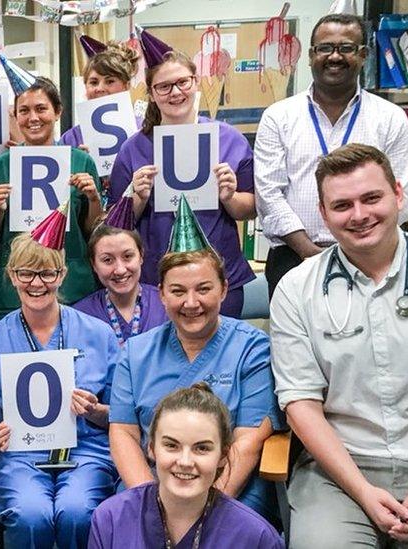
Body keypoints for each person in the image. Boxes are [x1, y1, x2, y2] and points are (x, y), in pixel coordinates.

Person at [271, 143, 408, 547]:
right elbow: (301, 404)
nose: (360, 215)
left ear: (399, 194)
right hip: (341, 477)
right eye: (342, 205)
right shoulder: (297, 290)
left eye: (372, 198)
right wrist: (362, 491)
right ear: (324, 215)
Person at [108, 197, 283, 521]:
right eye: (177, 291)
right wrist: (156, 506)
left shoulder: (253, 350)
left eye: (203, 289)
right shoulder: (135, 353)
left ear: (224, 289)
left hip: (232, 487)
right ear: (161, 294)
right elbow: (124, 434)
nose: (191, 303)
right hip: (153, 482)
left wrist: (202, 510)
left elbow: (249, 440)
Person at [0, 233, 120, 549]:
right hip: (19, 455)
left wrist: (94, 410)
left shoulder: (99, 334)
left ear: (61, 275)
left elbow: (122, 414)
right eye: (26, 272)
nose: (37, 283)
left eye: (47, 273)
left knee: (76, 511)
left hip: (85, 449)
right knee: (30, 515)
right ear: (11, 275)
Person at [255, 12, 408, 298]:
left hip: (372, 257)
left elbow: (399, 195)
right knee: (298, 341)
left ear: (363, 54)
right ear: (311, 55)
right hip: (293, 257)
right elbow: (268, 193)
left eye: (346, 48)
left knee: (373, 338)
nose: (335, 57)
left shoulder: (390, 118)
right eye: (325, 48)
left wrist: (355, 249)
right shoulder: (278, 117)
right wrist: (309, 251)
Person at [109, 45, 255, 318]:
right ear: (151, 94)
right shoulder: (133, 149)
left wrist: (230, 197)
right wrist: (137, 198)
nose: (175, 92)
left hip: (220, 277)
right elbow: (116, 225)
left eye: (182, 82)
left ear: (195, 82)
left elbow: (251, 208)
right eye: (163, 87)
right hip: (157, 283)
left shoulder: (228, 139)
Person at [89, 383, 284, 549]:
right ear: (152, 449)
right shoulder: (111, 520)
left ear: (223, 456)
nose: (185, 462)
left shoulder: (256, 537)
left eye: (201, 448)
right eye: (171, 446)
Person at [0, 73, 103, 322]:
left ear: (57, 111)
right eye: (24, 111)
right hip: (16, 289)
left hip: (72, 286)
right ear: (16, 116)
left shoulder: (81, 162)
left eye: (41, 109)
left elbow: (91, 231)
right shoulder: (1, 166)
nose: (33, 118)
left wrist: (92, 198)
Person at [73, 222, 167, 345]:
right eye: (107, 260)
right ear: (93, 264)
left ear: (141, 256)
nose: (120, 270)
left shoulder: (165, 306)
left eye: (127, 256)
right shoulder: (80, 317)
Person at [60, 40, 141, 158]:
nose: (100, 88)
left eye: (109, 81)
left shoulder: (144, 131)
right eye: (93, 82)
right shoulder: (71, 139)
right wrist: (80, 164)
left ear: (126, 86)